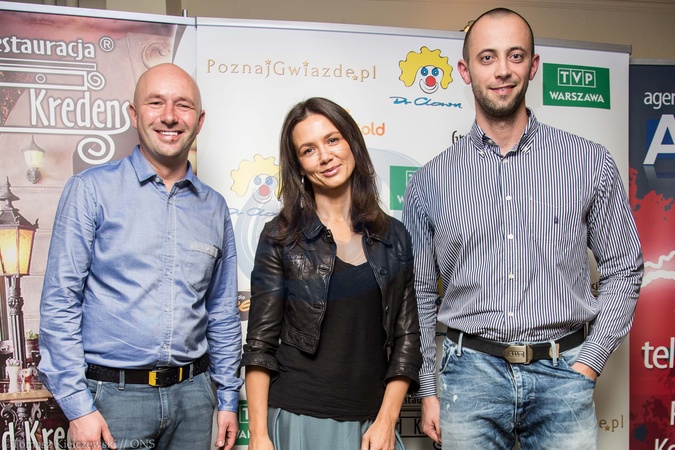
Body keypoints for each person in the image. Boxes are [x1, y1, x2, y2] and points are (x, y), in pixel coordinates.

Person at [402, 8, 643, 449]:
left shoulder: (589, 162)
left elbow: (624, 267)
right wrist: (429, 388)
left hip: (564, 371)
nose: (502, 70)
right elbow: (418, 293)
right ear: (465, 70)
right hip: (469, 376)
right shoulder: (428, 182)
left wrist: (589, 361)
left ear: (533, 66)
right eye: (487, 57)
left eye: (515, 56)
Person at [39, 63, 242, 450]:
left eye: (183, 105)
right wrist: (78, 408)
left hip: (195, 400)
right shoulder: (90, 190)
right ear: (134, 114)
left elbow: (222, 311)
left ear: (199, 121)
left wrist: (228, 397)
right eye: (155, 102)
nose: (169, 116)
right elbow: (60, 301)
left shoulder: (214, 208)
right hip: (112, 402)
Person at [241, 97, 422, 450]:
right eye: (308, 150)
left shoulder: (394, 236)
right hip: (300, 417)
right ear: (298, 165)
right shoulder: (280, 236)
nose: (325, 156)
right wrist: (259, 435)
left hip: (372, 422)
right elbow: (261, 344)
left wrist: (387, 421)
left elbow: (407, 337)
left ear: (352, 142)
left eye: (333, 140)